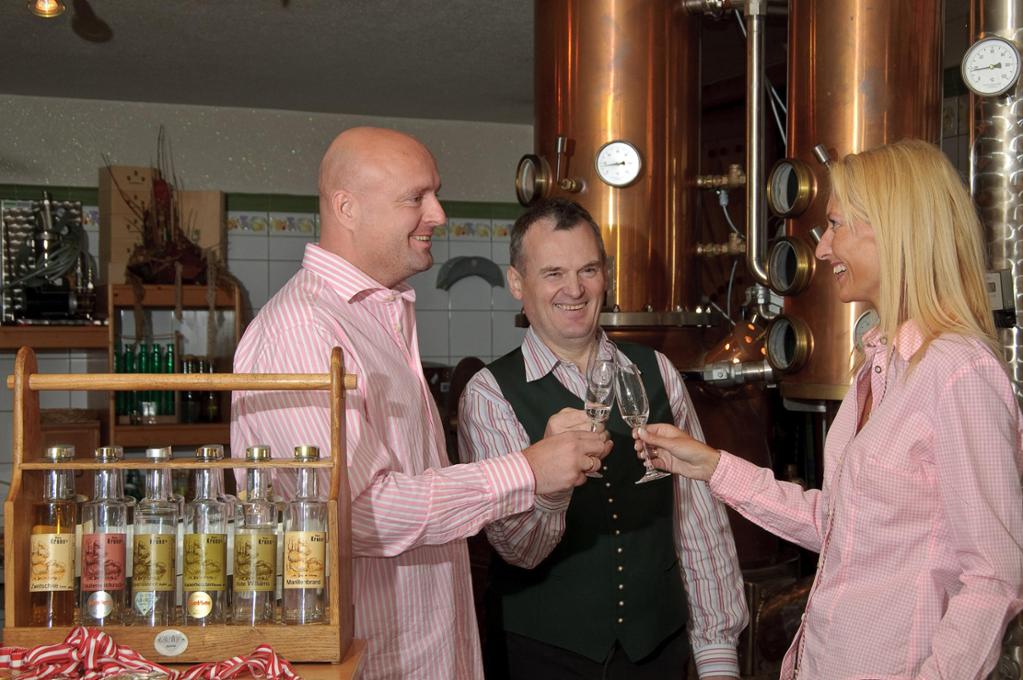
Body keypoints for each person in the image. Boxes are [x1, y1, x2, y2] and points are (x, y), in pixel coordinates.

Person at [230, 127, 612, 680]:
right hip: (371, 663)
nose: (438, 214)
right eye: (416, 198)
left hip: (426, 652)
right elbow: (357, 515)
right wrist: (527, 470)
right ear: (347, 207)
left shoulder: (373, 317)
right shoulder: (302, 330)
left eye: (436, 194)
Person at [634, 139, 1023, 679]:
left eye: (836, 225)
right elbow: (838, 524)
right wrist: (711, 465)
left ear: (894, 229)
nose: (821, 250)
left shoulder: (958, 371)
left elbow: (995, 576)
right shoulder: (878, 366)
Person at [459, 198, 748, 680]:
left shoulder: (659, 372)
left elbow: (699, 522)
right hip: (542, 657)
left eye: (588, 270)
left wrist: (718, 658)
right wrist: (551, 485)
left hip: (657, 649)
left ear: (606, 276)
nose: (574, 289)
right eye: (553, 273)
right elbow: (519, 551)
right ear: (517, 283)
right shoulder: (489, 395)